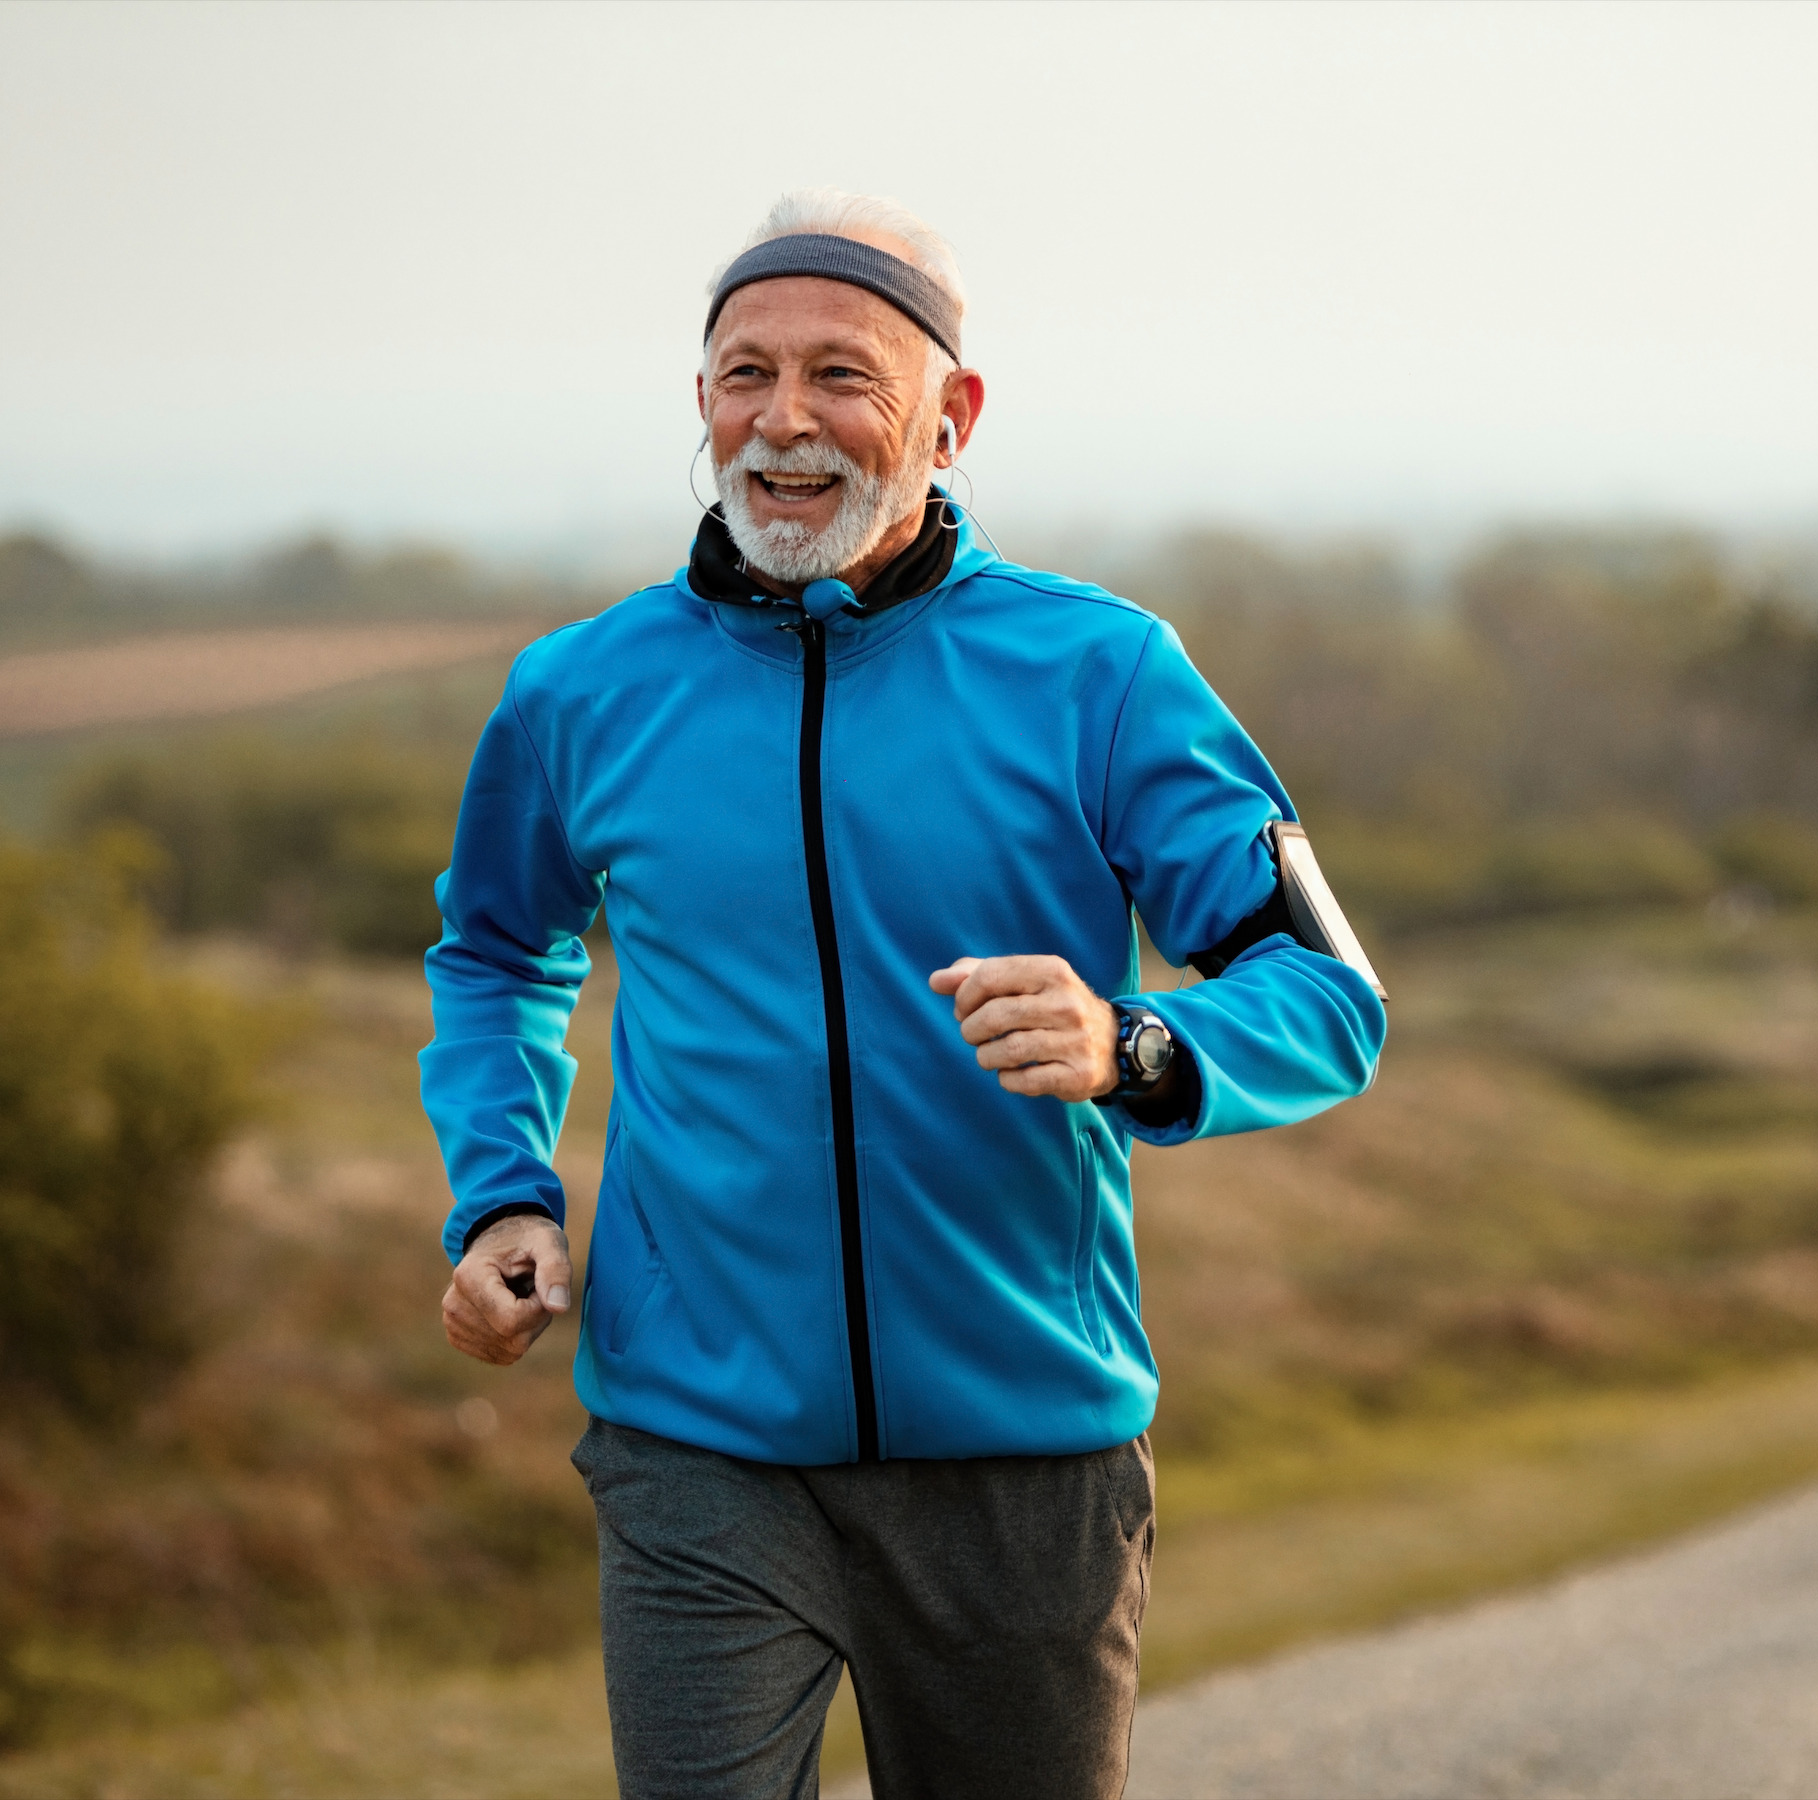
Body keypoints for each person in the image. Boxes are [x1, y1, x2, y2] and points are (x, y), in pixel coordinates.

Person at [423, 188, 1386, 1800]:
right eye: (745, 374)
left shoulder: (1103, 672)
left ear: (951, 417)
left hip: (1022, 1450)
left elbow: (1327, 994)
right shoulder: (578, 692)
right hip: (696, 1436)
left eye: (842, 376)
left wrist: (1134, 1041)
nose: (784, 421)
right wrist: (502, 1194)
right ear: (703, 405)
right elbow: (501, 951)